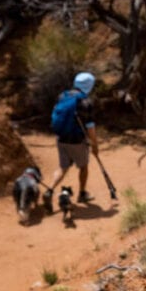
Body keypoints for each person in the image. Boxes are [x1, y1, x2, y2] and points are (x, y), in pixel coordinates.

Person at [49, 71, 100, 206]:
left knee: (62, 167)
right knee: (83, 166)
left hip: (61, 138)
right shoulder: (85, 101)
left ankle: (49, 190)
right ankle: (82, 194)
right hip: (77, 141)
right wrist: (95, 145)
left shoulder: (63, 96)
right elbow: (90, 128)